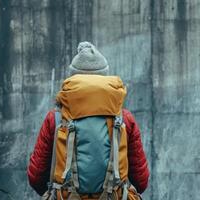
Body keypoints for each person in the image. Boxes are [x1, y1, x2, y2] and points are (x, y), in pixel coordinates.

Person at [27, 42, 149, 198]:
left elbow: (35, 178)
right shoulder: (124, 119)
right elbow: (141, 181)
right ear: (106, 79)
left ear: (73, 78)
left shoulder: (56, 119)